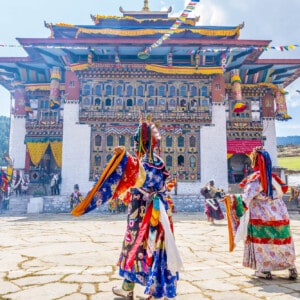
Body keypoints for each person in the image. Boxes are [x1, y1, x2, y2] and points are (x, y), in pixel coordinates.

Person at [71, 115, 183, 300]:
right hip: (160, 213)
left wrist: (121, 156)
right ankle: (155, 290)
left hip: (140, 215)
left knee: (135, 246)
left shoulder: (138, 164)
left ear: (139, 141)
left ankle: (128, 287)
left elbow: (125, 172)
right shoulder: (159, 163)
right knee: (155, 248)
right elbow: (161, 187)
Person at [223, 147, 298, 280]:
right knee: (282, 241)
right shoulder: (274, 179)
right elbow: (281, 194)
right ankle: (291, 267)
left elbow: (245, 199)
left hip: (261, 217)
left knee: (263, 244)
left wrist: (231, 199)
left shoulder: (255, 180)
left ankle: (264, 270)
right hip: (280, 216)